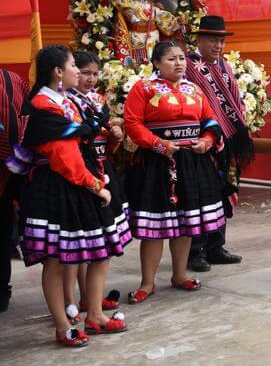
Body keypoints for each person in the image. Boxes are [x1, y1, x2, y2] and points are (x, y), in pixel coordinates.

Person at [17, 45, 131, 346]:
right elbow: (64, 156)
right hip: (59, 186)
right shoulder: (43, 105)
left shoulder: (69, 100)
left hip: (81, 181)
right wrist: (96, 186)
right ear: (58, 72)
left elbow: (87, 140)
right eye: (73, 66)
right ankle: (61, 323)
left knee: (99, 250)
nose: (78, 73)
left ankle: (94, 313)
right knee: (55, 259)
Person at [124, 41, 226, 304]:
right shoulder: (143, 88)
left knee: (185, 222)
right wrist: (158, 145)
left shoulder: (194, 89)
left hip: (191, 161)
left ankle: (179, 275)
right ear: (157, 63)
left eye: (182, 58)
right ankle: (148, 282)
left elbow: (210, 120)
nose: (179, 63)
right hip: (157, 163)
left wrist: (206, 141)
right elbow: (132, 123)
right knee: (157, 225)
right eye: (171, 59)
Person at [63, 50, 127, 321]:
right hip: (82, 174)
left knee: (98, 242)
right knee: (76, 246)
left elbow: (108, 146)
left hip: (103, 169)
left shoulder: (99, 100)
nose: (90, 79)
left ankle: (91, 298)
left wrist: (115, 136)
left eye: (95, 74)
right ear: (72, 72)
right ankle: (70, 303)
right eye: (85, 73)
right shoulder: (64, 102)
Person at [184, 16, 250, 271]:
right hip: (203, 141)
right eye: (213, 40)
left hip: (228, 141)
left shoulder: (224, 66)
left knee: (224, 192)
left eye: (221, 41)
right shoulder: (190, 66)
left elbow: (236, 99)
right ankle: (195, 251)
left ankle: (216, 246)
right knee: (202, 197)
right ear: (199, 40)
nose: (218, 45)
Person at [0, 70, 28, 313]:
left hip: (11, 172)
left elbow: (27, 117)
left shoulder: (12, 80)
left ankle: (1, 291)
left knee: (2, 232)